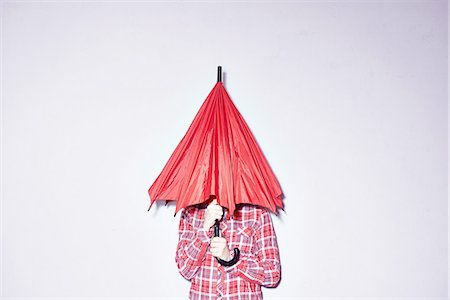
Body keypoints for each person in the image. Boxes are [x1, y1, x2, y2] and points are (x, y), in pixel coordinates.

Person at [175, 199, 281, 299]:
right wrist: (204, 229)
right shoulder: (190, 213)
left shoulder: (257, 213)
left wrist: (232, 259)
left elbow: (273, 275)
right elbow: (185, 270)